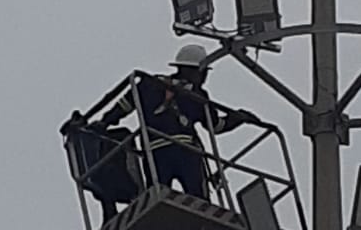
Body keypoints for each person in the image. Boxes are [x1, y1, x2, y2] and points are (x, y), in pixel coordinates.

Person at [103, 45, 253, 199]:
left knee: (157, 201)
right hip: (186, 154)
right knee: (199, 202)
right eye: (203, 72)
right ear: (196, 70)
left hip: (155, 153)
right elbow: (216, 126)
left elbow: (122, 107)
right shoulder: (197, 95)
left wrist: (103, 123)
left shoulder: (148, 84)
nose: (204, 77)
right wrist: (238, 118)